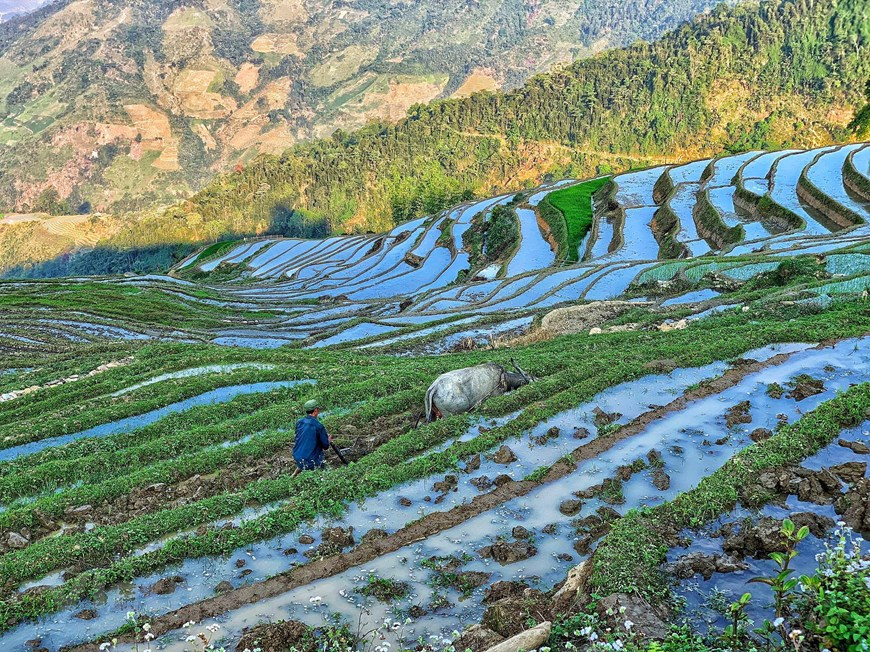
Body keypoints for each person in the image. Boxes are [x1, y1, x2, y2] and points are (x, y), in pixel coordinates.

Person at [294, 399, 331, 470]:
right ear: (316, 410)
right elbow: (325, 446)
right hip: (311, 461)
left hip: (297, 458)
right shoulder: (318, 426)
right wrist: (328, 440)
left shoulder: (299, 422)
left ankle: (301, 468)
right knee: (320, 457)